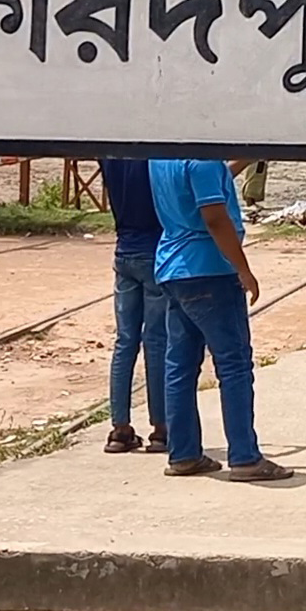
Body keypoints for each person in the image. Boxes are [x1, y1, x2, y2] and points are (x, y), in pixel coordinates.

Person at [147, 156, 291, 481]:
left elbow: (211, 179)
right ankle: (244, 457)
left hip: (173, 267)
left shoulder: (161, 156)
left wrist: (245, 158)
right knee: (234, 364)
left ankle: (183, 454)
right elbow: (214, 217)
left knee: (180, 367)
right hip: (210, 269)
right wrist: (243, 268)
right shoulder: (202, 159)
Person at [100, 158, 168, 455]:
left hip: (123, 250)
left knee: (125, 341)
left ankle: (120, 428)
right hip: (155, 251)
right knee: (156, 341)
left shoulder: (110, 156)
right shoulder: (156, 157)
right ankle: (161, 428)